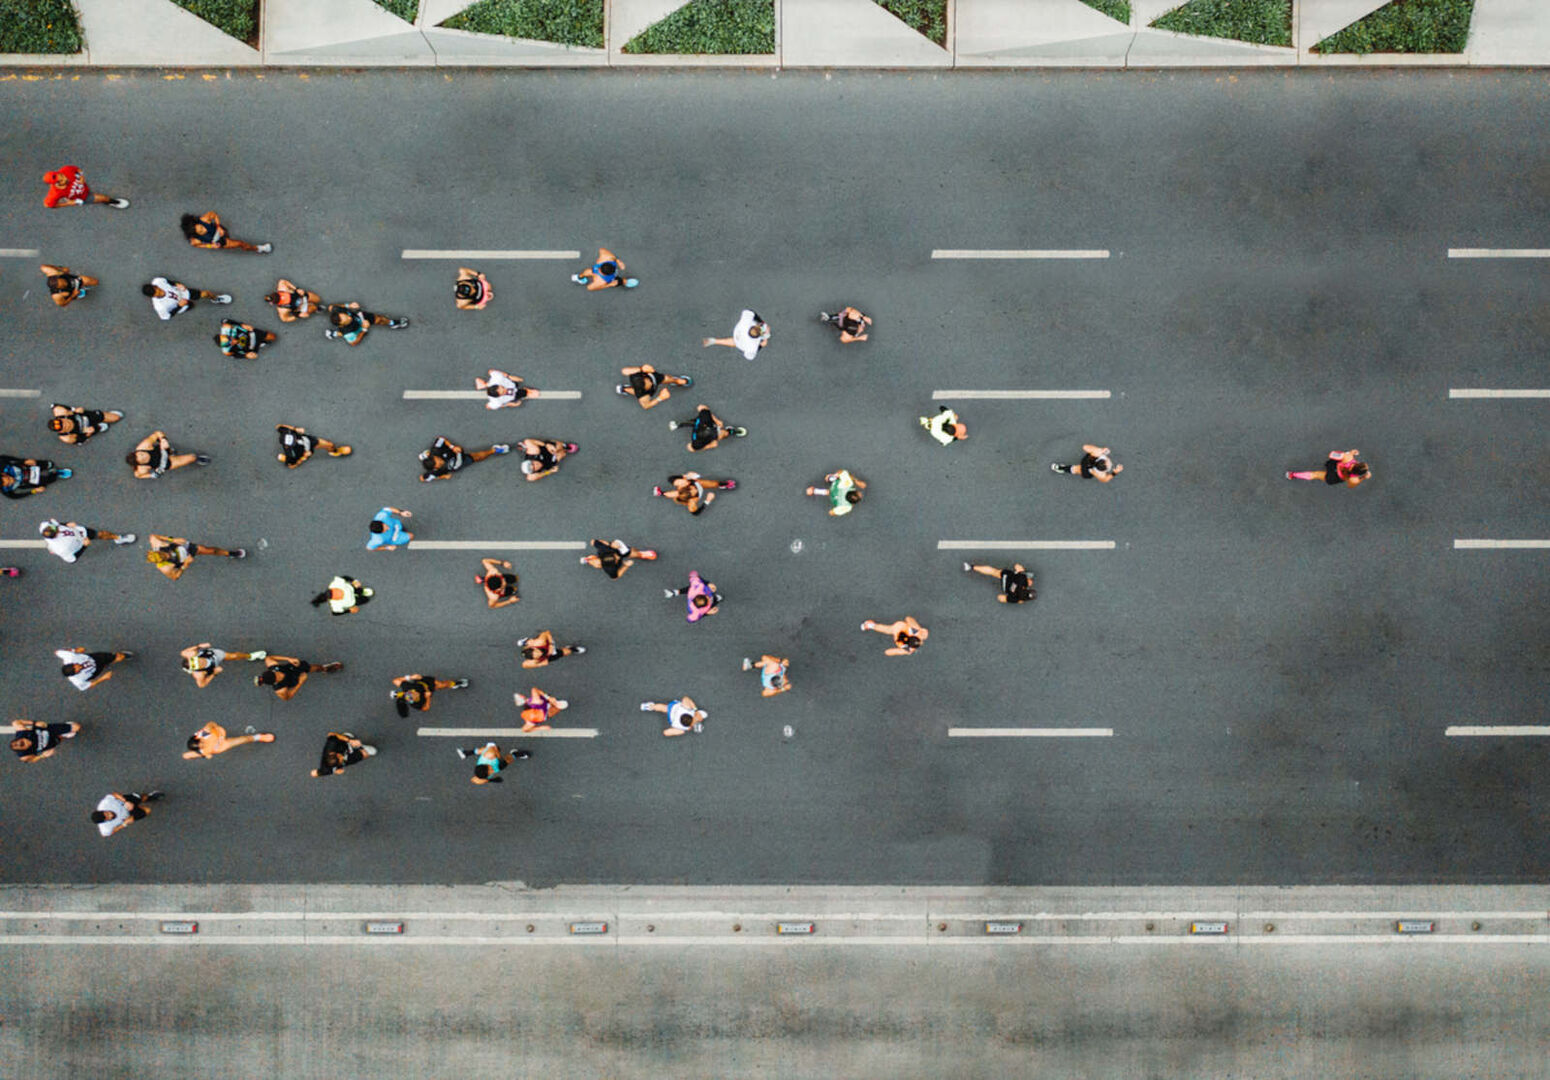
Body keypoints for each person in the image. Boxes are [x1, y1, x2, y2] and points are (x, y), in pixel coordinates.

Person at [146, 534, 245, 581]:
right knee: (204, 551)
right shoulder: (165, 568)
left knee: (209, 550)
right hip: (183, 559)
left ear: (158, 550)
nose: (168, 555)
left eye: (164, 553)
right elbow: (175, 577)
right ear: (162, 561)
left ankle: (230, 553)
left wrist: (172, 539)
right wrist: (186, 564)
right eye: (166, 557)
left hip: (183, 547)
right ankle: (229, 554)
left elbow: (152, 536)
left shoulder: (156, 543)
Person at [419, 436, 510, 482]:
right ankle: (494, 450)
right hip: (458, 459)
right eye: (439, 464)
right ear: (436, 468)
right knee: (476, 457)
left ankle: (425, 454)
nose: (440, 461)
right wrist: (443, 476)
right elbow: (423, 478)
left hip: (450, 452)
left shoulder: (435, 451)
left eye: (438, 459)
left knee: (430, 451)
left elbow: (440, 438)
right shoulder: (451, 466)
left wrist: (452, 446)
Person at [40, 519, 135, 563]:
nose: (58, 527)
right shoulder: (62, 549)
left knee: (100, 534)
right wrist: (85, 545)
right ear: (55, 535)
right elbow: (72, 559)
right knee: (100, 534)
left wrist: (66, 524)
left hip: (80, 532)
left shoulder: (45, 527)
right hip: (80, 543)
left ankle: (118, 539)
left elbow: (56, 523)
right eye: (57, 529)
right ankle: (118, 538)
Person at [255, 655, 343, 701]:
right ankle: (324, 669)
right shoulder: (280, 690)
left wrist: (288, 659)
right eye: (277, 675)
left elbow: (269, 658)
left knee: (310, 667)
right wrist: (300, 683)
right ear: (276, 680)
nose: (278, 673)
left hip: (292, 668)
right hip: (293, 679)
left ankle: (324, 668)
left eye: (275, 672)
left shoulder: (273, 668)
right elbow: (287, 697)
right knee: (305, 671)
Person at [180, 642, 266, 688]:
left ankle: (250, 656)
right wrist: (214, 673)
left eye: (196, 660)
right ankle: (250, 656)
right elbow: (201, 685)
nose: (199, 662)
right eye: (196, 665)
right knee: (231, 657)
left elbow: (183, 652)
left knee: (234, 656)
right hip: (213, 666)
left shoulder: (191, 653)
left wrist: (199, 646)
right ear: (194, 669)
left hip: (213, 654)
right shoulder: (199, 675)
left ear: (193, 658)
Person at [126, 430, 208, 479]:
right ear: (140, 463)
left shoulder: (143, 446)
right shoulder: (142, 468)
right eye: (143, 459)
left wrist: (163, 440)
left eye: (141, 454)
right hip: (166, 462)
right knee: (192, 457)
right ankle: (196, 459)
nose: (144, 455)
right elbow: (138, 475)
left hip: (162, 450)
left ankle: (171, 452)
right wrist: (152, 475)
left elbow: (157, 433)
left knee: (170, 450)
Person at [142, 276, 230, 320]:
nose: (160, 291)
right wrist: (179, 306)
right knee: (191, 305)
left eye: (158, 288)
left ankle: (215, 298)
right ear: (153, 296)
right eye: (158, 293)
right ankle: (189, 305)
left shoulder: (157, 281)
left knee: (205, 293)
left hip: (184, 293)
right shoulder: (160, 306)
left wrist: (177, 284)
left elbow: (168, 281)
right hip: (182, 306)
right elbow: (167, 316)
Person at [670, 404, 747, 453]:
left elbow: (702, 407)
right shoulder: (698, 440)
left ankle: (680, 424)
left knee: (701, 409)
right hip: (705, 431)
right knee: (722, 434)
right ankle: (729, 431)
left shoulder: (703, 420)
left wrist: (717, 421)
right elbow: (691, 448)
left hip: (702, 425)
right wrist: (708, 446)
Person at [181, 211, 270, 253]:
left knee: (226, 233)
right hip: (218, 241)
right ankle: (259, 248)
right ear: (195, 234)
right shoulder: (195, 241)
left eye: (200, 226)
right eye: (200, 231)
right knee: (240, 244)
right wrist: (211, 246)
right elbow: (200, 245)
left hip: (219, 230)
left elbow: (214, 214)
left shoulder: (204, 219)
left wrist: (219, 227)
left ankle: (226, 235)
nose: (202, 229)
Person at [653, 471, 735, 516]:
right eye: (693, 492)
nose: (695, 490)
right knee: (673, 494)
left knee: (712, 483)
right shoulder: (692, 502)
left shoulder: (683, 484)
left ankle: (722, 485)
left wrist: (686, 476)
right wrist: (707, 500)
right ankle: (661, 494)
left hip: (692, 484)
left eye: (692, 489)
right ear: (691, 498)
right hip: (689, 493)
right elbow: (695, 513)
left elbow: (670, 478)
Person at [43, 166, 128, 209]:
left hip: (84, 188)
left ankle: (106, 201)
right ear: (55, 184)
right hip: (82, 197)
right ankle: (113, 202)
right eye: (61, 180)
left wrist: (81, 176)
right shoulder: (55, 193)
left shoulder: (66, 169)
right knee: (103, 198)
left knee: (92, 193)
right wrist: (68, 203)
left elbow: (77, 169)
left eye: (61, 175)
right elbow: (48, 205)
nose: (65, 178)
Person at [324, 302, 409, 345]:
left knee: (379, 319)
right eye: (347, 320)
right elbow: (354, 343)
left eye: (346, 315)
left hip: (360, 317)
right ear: (341, 324)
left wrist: (348, 305)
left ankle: (392, 323)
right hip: (358, 327)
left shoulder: (337, 310)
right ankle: (334, 333)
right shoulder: (348, 332)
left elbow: (331, 307)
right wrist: (364, 329)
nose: (349, 317)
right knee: (347, 334)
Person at [183, 722, 275, 760]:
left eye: (201, 742)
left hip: (219, 735)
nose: (203, 744)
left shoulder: (205, 732)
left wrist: (220, 735)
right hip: (221, 746)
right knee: (241, 741)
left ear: (197, 738)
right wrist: (205, 755)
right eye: (202, 746)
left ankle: (258, 737)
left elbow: (212, 723)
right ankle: (258, 737)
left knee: (243, 739)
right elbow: (186, 755)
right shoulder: (201, 750)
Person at [390, 674, 469, 717]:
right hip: (427, 691)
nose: (414, 692)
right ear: (415, 699)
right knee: (440, 686)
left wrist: (410, 677)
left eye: (412, 692)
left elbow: (395, 681)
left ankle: (455, 684)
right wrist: (428, 698)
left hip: (424, 683)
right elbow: (425, 708)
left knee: (440, 684)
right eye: (415, 694)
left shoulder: (408, 688)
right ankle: (396, 694)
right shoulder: (416, 704)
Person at [617, 364, 690, 410]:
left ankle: (676, 381)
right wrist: (660, 398)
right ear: (645, 388)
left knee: (667, 378)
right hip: (649, 391)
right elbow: (646, 406)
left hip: (653, 377)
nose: (650, 383)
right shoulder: (642, 394)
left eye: (647, 380)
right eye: (648, 384)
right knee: (636, 392)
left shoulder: (636, 376)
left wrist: (642, 368)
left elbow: (624, 371)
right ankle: (624, 389)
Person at [56, 647, 132, 691]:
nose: (78, 666)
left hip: (94, 657)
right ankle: (107, 662)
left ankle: (118, 657)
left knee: (117, 657)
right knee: (103, 665)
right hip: (95, 671)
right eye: (77, 669)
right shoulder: (78, 681)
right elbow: (89, 685)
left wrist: (74, 650)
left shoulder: (69, 657)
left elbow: (57, 652)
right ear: (75, 674)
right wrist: (103, 678)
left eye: (75, 665)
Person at [703, 309, 769, 360]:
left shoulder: (746, 322)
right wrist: (761, 345)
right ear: (757, 337)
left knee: (737, 341)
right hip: (741, 343)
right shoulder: (752, 346)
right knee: (737, 343)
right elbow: (749, 356)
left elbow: (750, 311)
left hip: (738, 332)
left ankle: (714, 341)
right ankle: (716, 341)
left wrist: (761, 322)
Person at [1288, 448, 1371, 488]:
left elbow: (1333, 455)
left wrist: (1351, 452)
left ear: (1358, 463)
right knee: (1315, 475)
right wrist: (1363, 478)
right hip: (1334, 477)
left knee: (1317, 472)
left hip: (1333, 466)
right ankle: (1292, 475)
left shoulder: (1349, 457)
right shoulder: (1354, 479)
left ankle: (1293, 474)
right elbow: (1350, 486)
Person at [276, 424, 351, 468]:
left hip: (308, 440)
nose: (296, 440)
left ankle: (335, 451)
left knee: (329, 444)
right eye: (293, 442)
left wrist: (295, 429)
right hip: (304, 451)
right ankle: (284, 458)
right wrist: (303, 458)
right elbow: (292, 465)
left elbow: (278, 427)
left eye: (294, 438)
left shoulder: (287, 431)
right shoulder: (291, 453)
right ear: (287, 446)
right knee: (291, 461)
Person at [92, 791, 162, 837]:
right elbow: (108, 833)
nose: (110, 815)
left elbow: (114, 795)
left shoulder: (105, 803)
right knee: (147, 810)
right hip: (128, 815)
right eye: (108, 818)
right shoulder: (105, 828)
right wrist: (124, 824)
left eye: (107, 813)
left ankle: (150, 797)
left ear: (102, 810)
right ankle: (139, 807)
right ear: (104, 821)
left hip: (125, 802)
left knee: (141, 798)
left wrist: (125, 801)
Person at [581, 538, 657, 580]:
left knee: (629, 550)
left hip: (617, 550)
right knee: (631, 553)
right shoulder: (609, 568)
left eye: (595, 561)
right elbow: (615, 577)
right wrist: (626, 566)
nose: (597, 565)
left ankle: (640, 554)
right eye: (597, 565)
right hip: (618, 553)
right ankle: (641, 555)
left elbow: (593, 541)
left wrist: (610, 543)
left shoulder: (603, 550)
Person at [10, 719, 81, 763]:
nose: (29, 742)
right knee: (60, 739)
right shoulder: (24, 756)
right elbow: (33, 759)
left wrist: (34, 723)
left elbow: (16, 722)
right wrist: (43, 756)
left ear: (20, 738)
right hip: (49, 743)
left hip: (47, 730)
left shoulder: (22, 732)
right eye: (26, 745)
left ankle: (66, 728)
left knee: (77, 727)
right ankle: (62, 735)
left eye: (25, 741)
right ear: (24, 749)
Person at [964, 562, 1036, 605]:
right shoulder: (1019, 599)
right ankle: (970, 567)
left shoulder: (1022, 578)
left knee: (994, 572)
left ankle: (971, 567)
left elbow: (1016, 565)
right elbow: (1000, 598)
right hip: (1005, 588)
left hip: (1007, 577)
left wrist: (1020, 571)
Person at [49, 403, 123, 444]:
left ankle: (100, 417)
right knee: (94, 429)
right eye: (65, 427)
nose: (67, 424)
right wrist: (88, 434)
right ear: (61, 431)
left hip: (85, 417)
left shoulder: (60, 411)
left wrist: (74, 410)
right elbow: (81, 440)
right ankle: (98, 427)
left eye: (64, 422)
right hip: (85, 429)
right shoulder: (67, 437)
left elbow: (55, 406)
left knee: (117, 417)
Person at [0, 456, 70, 499]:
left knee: (43, 464)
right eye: (9, 483)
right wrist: (34, 491)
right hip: (26, 481)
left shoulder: (3, 466)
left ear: (3, 474)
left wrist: (23, 460)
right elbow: (14, 497)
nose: (12, 480)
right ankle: (55, 474)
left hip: (23, 468)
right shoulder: (5, 490)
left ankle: (46, 465)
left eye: (9, 478)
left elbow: (3, 457)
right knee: (44, 483)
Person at [460, 741, 529, 784]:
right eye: (489, 773)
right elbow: (474, 780)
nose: (491, 771)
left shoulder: (490, 754)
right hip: (497, 767)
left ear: (486, 765)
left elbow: (494, 749)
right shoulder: (482, 775)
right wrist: (491, 780)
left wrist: (499, 757)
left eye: (489, 769)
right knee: (505, 763)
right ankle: (514, 754)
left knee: (496, 750)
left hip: (492, 754)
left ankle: (469, 752)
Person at [311, 732, 376, 777]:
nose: (342, 756)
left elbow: (330, 734)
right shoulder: (326, 769)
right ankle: (361, 748)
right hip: (348, 758)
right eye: (341, 759)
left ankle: (347, 738)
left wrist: (349, 741)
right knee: (366, 754)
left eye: (339, 756)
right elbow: (315, 774)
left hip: (344, 745)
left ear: (333, 753)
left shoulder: (331, 744)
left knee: (343, 738)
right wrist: (334, 772)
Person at [639, 696, 707, 737]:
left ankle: (651, 706)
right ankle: (651, 706)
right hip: (672, 718)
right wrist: (675, 730)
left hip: (673, 708)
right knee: (680, 731)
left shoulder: (688, 710)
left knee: (663, 708)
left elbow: (685, 698)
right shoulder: (683, 729)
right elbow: (665, 733)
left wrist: (693, 707)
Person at [571, 247, 635, 290]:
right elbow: (602, 250)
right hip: (612, 277)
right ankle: (625, 282)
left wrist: (609, 285)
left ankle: (580, 277)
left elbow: (589, 288)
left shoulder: (601, 280)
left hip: (606, 277)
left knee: (587, 272)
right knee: (618, 281)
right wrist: (618, 261)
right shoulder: (610, 258)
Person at [860, 616, 928, 657]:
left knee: (885, 629)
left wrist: (918, 628)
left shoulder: (916, 631)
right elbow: (887, 652)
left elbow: (908, 618)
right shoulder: (907, 649)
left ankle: (870, 625)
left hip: (897, 628)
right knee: (886, 629)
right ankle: (870, 625)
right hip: (896, 630)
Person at [1052, 445, 1123, 482]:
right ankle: (1062, 469)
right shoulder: (1101, 474)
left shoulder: (1097, 453)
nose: (1110, 463)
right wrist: (1114, 472)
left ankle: (1061, 468)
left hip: (1087, 462)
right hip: (1088, 472)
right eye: (1109, 464)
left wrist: (1100, 450)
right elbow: (1105, 479)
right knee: (1077, 469)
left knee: (1077, 468)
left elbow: (1085, 447)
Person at [518, 630, 584, 669]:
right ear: (534, 658)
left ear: (534, 648)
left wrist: (551, 645)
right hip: (547, 656)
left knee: (532, 641)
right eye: (537, 655)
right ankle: (570, 648)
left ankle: (525, 642)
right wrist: (540, 664)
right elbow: (524, 665)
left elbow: (547, 632)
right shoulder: (534, 661)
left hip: (546, 645)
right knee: (568, 652)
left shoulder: (540, 642)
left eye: (537, 652)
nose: (539, 653)